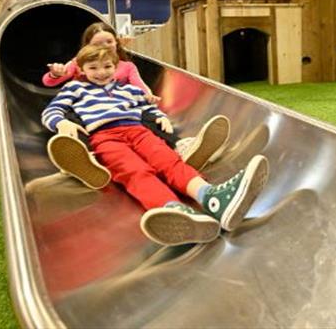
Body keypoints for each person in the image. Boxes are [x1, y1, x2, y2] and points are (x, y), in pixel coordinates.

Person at [41, 44, 270, 245]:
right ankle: (172, 210)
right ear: (82, 69)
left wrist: (159, 116)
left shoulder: (128, 89)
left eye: (107, 66)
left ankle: (211, 197)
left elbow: (146, 108)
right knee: (135, 171)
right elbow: (52, 110)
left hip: (137, 130)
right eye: (93, 68)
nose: (101, 72)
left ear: (115, 66)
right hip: (105, 136)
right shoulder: (76, 88)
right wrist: (60, 122)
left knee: (169, 161)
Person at [44, 22, 229, 189]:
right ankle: (85, 157)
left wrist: (148, 96)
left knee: (147, 117)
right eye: (97, 43)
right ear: (87, 47)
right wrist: (56, 73)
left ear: (116, 42)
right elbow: (50, 82)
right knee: (71, 118)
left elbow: (138, 85)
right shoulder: (80, 63)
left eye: (108, 42)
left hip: (121, 110)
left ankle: (179, 146)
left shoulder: (125, 65)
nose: (104, 47)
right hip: (90, 109)